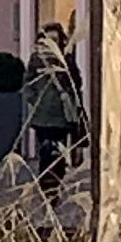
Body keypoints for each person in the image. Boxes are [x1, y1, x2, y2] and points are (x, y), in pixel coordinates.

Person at [24, 21, 85, 181]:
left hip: (61, 115)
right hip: (43, 115)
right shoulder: (37, 59)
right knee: (45, 150)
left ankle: (55, 180)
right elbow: (27, 82)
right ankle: (46, 181)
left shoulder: (66, 58)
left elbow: (77, 83)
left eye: (55, 40)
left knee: (58, 151)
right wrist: (35, 98)